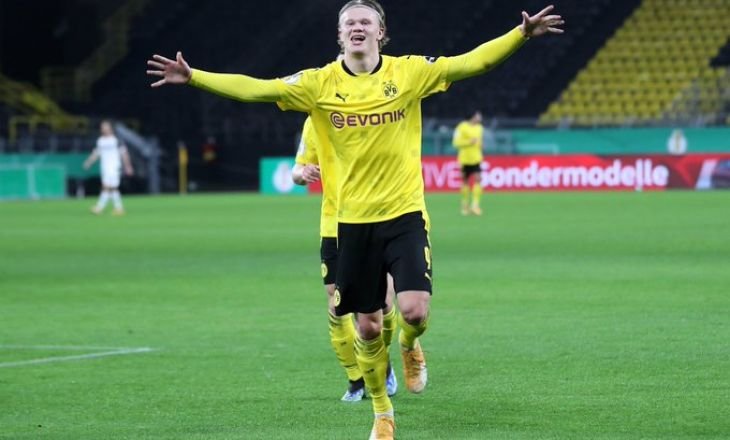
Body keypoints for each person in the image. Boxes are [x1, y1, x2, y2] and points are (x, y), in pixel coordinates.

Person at [146, 2, 563, 438]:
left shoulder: (409, 72)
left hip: (404, 213)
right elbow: (256, 89)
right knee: (367, 325)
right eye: (349, 23)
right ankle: (382, 413)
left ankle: (410, 344)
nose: (357, 27)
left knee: (414, 311)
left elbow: (471, 63)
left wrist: (520, 35)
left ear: (381, 32)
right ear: (340, 35)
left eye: (366, 22)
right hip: (351, 223)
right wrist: (195, 77)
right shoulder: (318, 83)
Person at [292, 116, 398, 402]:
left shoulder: (368, 111)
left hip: (374, 218)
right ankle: (355, 379)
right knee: (336, 304)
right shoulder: (314, 120)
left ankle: (383, 362)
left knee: (382, 304)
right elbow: (296, 171)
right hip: (334, 224)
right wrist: (303, 173)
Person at [83, 120, 134, 215]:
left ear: (110, 128)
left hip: (114, 166)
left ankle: (99, 207)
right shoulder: (100, 141)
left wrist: (128, 166)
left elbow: (124, 153)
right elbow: (97, 153)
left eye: (105, 127)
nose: (103, 129)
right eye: (102, 127)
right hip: (105, 167)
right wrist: (89, 162)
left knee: (107, 186)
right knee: (112, 188)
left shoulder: (116, 140)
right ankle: (119, 208)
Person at [452, 110, 485, 215]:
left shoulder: (480, 128)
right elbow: (455, 143)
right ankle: (465, 205)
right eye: (478, 115)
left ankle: (475, 205)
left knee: (478, 179)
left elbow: (479, 141)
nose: (480, 117)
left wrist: (480, 145)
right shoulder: (461, 127)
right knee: (465, 182)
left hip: (476, 158)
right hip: (465, 159)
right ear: (473, 116)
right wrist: (469, 142)